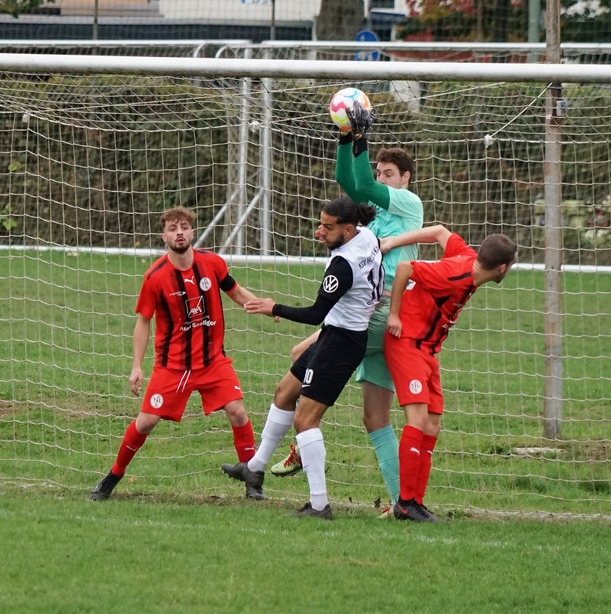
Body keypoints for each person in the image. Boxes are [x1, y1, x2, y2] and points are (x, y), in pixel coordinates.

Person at [269, 101, 423, 516]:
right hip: (377, 317)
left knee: (301, 360)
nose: (380, 179)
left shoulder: (408, 204)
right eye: (379, 172)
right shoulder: (371, 216)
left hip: (377, 315)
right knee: (375, 418)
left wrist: (362, 135)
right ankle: (403, 502)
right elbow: (347, 179)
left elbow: (364, 186)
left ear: (406, 179)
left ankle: (303, 442)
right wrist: (345, 137)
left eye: (388, 174)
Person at [222, 197, 383, 519]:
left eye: (328, 227)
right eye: (320, 224)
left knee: (305, 420)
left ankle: (319, 505)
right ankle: (254, 468)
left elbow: (315, 314)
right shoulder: (367, 235)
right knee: (284, 392)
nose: (319, 232)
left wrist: (273, 307)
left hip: (342, 342)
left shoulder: (343, 265)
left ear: (347, 229)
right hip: (335, 333)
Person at [90, 206, 262, 501]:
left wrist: (264, 306)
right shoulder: (155, 277)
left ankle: (253, 482)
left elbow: (235, 291)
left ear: (192, 232)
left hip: (212, 361)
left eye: (184, 227)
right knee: (145, 422)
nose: (179, 232)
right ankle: (113, 476)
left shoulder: (213, 263)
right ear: (164, 237)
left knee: (237, 411)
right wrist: (136, 366)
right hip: (172, 366)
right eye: (172, 228)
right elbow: (143, 321)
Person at [380, 224, 517, 522]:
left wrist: (392, 240)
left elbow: (440, 232)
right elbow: (405, 268)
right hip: (407, 342)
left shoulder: (468, 258)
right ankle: (404, 503)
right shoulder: (453, 275)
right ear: (502, 268)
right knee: (418, 420)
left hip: (428, 349)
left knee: (432, 425)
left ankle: (416, 502)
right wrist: (394, 315)